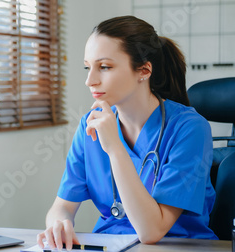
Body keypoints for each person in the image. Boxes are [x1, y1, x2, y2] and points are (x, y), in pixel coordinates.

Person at [36, 15, 217, 249]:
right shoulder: (89, 125)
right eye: (87, 68)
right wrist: (58, 224)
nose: (90, 80)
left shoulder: (190, 129)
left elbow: (151, 232)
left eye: (104, 67)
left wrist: (115, 149)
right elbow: (62, 206)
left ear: (143, 70)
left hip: (175, 246)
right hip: (110, 245)